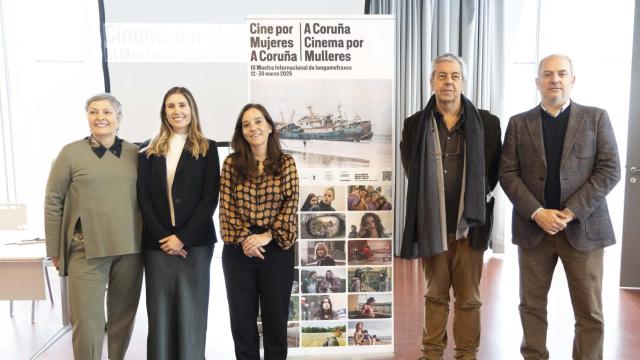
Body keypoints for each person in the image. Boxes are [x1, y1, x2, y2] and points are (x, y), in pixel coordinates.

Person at [500, 54, 621, 360]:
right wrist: (538, 212)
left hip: (583, 230)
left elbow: (609, 170)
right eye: (548, 74)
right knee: (531, 306)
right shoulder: (518, 123)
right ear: (537, 82)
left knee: (589, 311)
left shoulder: (596, 118)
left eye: (562, 73)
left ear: (572, 80)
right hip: (534, 230)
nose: (555, 79)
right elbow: (507, 173)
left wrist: (570, 212)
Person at [399, 53, 502, 359]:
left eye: (454, 76)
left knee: (469, 298)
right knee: (435, 294)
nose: (448, 82)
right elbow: (412, 172)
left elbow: (492, 173)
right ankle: (431, 353)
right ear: (431, 81)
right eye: (441, 75)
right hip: (432, 224)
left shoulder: (488, 123)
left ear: (463, 82)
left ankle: (466, 354)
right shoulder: (415, 125)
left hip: (471, 225)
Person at [45, 93, 143, 360]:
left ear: (119, 118)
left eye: (107, 112)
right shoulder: (70, 153)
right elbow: (53, 200)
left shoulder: (135, 153)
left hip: (130, 250)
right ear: (87, 117)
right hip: (86, 249)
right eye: (93, 112)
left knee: (123, 317)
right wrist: (55, 248)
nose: (100, 117)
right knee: (87, 321)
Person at [137, 87, 219, 359]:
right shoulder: (148, 150)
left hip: (195, 245)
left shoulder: (207, 148)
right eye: (171, 106)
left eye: (182, 105)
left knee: (192, 313)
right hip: (157, 246)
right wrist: (165, 237)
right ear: (164, 112)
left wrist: (182, 237)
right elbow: (144, 197)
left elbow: (209, 198)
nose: (177, 111)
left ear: (191, 109)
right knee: (160, 314)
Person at [219, 103, 299, 360]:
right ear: (241, 132)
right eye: (246, 124)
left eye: (257, 122)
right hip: (238, 250)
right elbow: (227, 206)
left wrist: (267, 236)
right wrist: (246, 239)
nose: (252, 128)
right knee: (242, 322)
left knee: (276, 320)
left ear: (270, 127)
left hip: (277, 247)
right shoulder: (231, 163)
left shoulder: (286, 162)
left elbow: (291, 202)